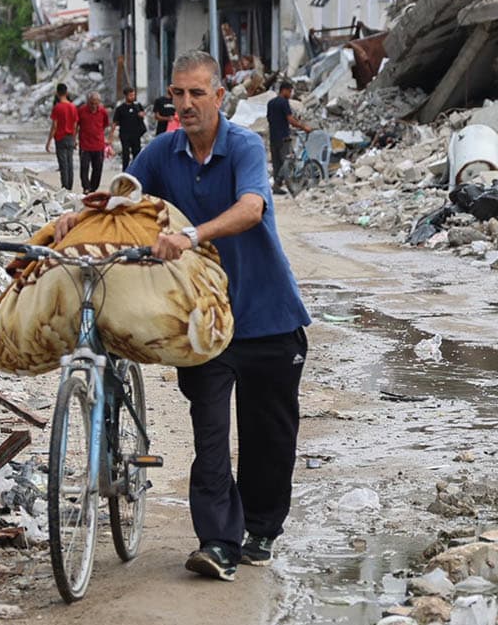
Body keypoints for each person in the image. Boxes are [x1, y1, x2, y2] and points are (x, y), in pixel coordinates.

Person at [53, 51, 309, 582]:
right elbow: (125, 198)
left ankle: (260, 527)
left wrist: (191, 234)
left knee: (268, 437)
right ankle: (217, 542)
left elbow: (252, 207)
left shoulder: (244, 147)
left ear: (220, 96)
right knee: (210, 432)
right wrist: (78, 216)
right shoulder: (162, 152)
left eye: (197, 93)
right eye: (178, 94)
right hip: (203, 323)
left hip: (267, 315)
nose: (186, 104)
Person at [265, 80, 312, 185]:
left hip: (273, 137)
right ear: (284, 90)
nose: (290, 94)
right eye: (290, 92)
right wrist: (304, 127)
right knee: (286, 162)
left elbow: (270, 119)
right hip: (283, 137)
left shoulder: (270, 103)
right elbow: (290, 120)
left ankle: (277, 186)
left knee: (276, 162)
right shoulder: (284, 102)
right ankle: (289, 184)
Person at [77, 91, 110, 192]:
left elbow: (105, 124)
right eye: (91, 103)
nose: (94, 105)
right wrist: (74, 139)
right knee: (84, 167)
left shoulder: (103, 111)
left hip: (99, 144)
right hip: (85, 145)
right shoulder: (81, 110)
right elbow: (76, 125)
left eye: (96, 103)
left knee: (98, 168)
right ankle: (86, 187)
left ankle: (93, 188)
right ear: (88, 102)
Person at [48, 85, 78, 191]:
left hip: (60, 138)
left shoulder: (57, 107)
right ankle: (70, 186)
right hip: (70, 137)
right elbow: (75, 125)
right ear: (67, 93)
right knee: (70, 162)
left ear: (57, 93)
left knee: (63, 164)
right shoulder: (73, 107)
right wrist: (74, 140)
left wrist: (49, 141)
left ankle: (65, 187)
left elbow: (54, 126)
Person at [113, 86, 148, 173]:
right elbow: (115, 122)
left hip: (136, 134)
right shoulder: (120, 108)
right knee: (126, 155)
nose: (132, 97)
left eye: (133, 95)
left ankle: (137, 171)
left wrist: (141, 114)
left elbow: (143, 114)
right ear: (126, 96)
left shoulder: (137, 106)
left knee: (137, 154)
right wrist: (112, 134)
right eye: (130, 95)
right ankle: (125, 171)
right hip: (125, 135)